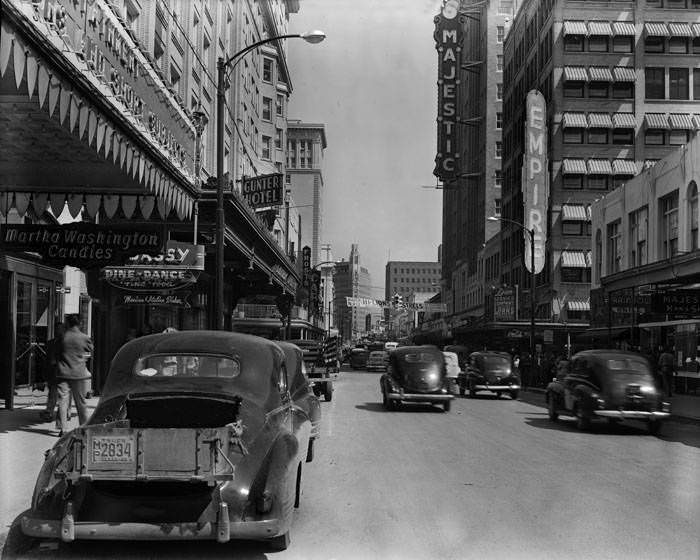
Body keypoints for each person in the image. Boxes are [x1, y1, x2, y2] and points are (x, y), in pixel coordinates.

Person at [56, 314, 93, 436]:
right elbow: (90, 351)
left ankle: (64, 428)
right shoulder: (84, 338)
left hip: (63, 373)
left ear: (68, 324)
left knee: (63, 401)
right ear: (80, 323)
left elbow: (57, 352)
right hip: (79, 374)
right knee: (81, 402)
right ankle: (84, 426)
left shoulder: (63, 337)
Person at [40, 321, 66, 422]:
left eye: (59, 329)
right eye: (56, 329)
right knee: (52, 393)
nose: (57, 331)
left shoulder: (65, 343)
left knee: (61, 395)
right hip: (52, 372)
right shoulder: (50, 343)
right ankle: (49, 412)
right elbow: (46, 359)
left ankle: (52, 413)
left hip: (61, 372)